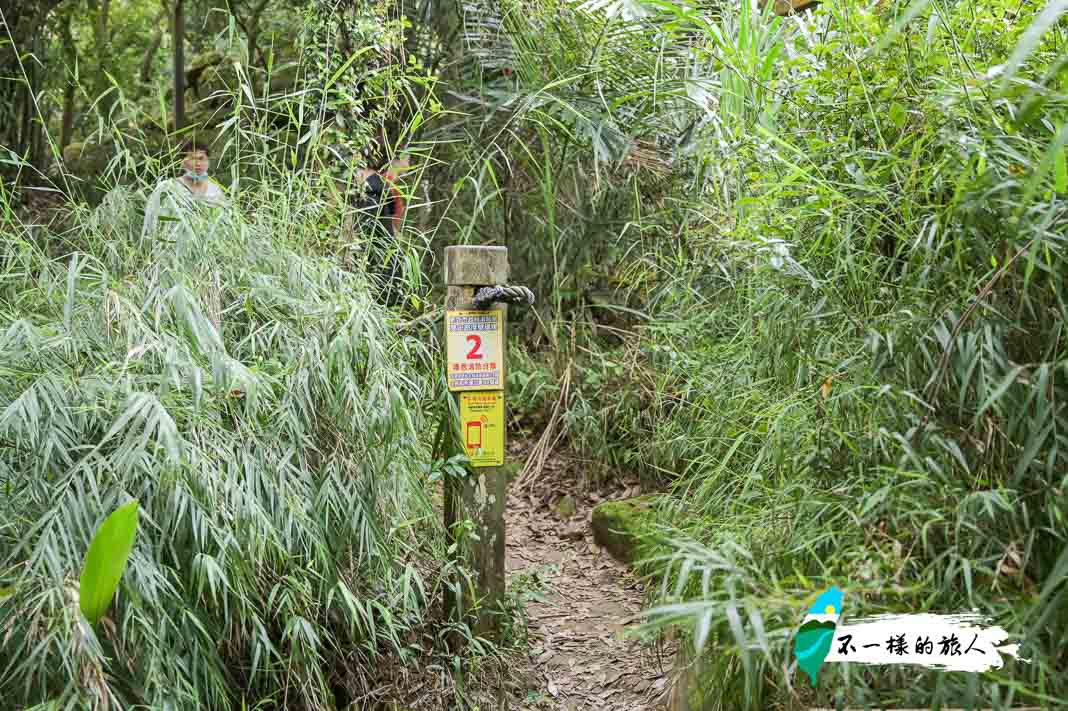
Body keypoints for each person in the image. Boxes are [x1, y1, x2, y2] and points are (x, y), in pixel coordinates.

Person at [142, 138, 228, 244]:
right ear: (182, 162)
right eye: (193, 159)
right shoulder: (168, 188)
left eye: (202, 158)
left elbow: (224, 226)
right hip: (172, 251)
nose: (198, 164)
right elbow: (150, 220)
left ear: (208, 161)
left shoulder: (215, 191)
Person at [353, 155, 410, 307]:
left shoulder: (370, 196)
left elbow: (364, 241)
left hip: (380, 285)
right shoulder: (384, 188)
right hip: (390, 274)